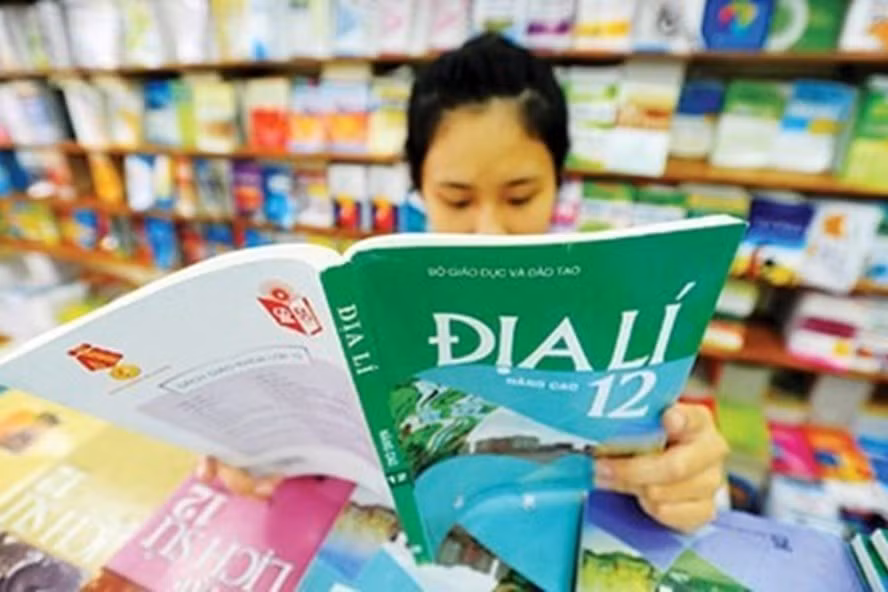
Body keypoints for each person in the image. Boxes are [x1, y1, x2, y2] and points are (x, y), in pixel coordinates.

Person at [199, 32, 729, 534]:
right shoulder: (362, 307)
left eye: (520, 197)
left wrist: (689, 480)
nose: (489, 231)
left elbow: (678, 465)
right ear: (418, 187)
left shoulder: (620, 309)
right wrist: (257, 453)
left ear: (559, 181)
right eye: (456, 199)